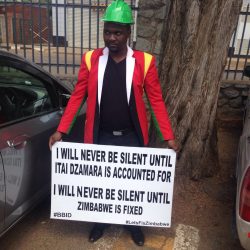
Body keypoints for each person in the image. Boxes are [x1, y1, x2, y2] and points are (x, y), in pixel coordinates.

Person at [49, 0, 178, 246]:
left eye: (117, 32)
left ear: (129, 32)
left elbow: (156, 101)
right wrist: (61, 130)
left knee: (132, 184)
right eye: (108, 31)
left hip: (131, 135)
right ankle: (100, 223)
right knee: (101, 185)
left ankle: (134, 225)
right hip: (101, 134)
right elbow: (78, 96)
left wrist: (168, 136)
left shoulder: (145, 62)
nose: (112, 38)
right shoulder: (91, 59)